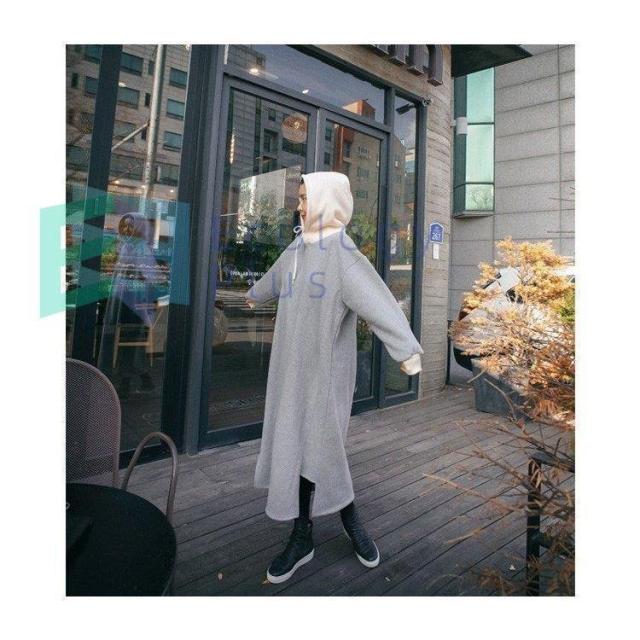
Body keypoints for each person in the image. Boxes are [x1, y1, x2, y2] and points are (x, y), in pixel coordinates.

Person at [245, 171, 423, 584]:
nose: (299, 206)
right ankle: (305, 534)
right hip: (289, 373)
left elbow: (379, 303)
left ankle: (341, 521)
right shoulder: (297, 248)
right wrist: (253, 296)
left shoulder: (343, 255)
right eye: (299, 199)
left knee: (322, 447)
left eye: (305, 198)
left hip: (325, 376)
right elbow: (273, 280)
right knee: (300, 446)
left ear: (327, 200)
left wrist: (407, 352)